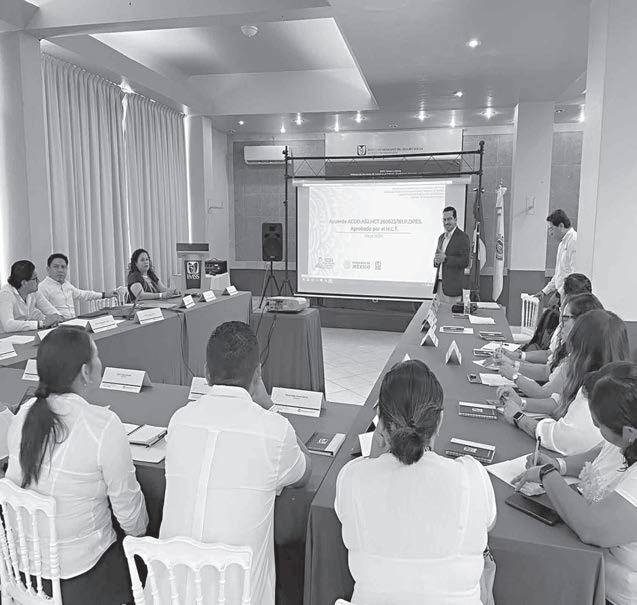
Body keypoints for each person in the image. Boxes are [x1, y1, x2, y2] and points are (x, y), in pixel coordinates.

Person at [160, 321, 312, 605]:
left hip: (170, 594)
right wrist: (269, 405)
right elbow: (304, 472)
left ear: (206, 372)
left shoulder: (179, 420)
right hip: (238, 596)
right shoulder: (274, 430)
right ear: (258, 374)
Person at [5, 326, 148, 604]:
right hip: (80, 579)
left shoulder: (24, 414)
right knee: (144, 559)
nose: (100, 361)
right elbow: (131, 518)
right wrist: (142, 535)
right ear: (85, 371)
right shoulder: (102, 426)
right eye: (97, 355)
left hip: (23, 574)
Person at [335, 359, 496, 605]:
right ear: (439, 421)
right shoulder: (473, 475)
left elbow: (348, 504)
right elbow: (489, 522)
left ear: (381, 422)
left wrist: (380, 443)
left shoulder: (351, 477)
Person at [513, 362, 637, 605]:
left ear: (629, 433)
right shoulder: (628, 435)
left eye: (599, 425)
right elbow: (602, 456)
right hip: (587, 567)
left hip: (611, 592)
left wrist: (548, 474)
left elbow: (592, 527)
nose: (595, 428)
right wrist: (559, 465)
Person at [500, 309, 630, 455]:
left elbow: (561, 438)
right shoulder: (611, 379)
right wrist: (521, 402)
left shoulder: (596, 391)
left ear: (584, 353)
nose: (570, 356)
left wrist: (519, 417)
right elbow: (559, 400)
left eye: (566, 318)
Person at [496, 293, 603, 398]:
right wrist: (513, 363)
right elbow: (548, 371)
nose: (561, 324)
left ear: (581, 322)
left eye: (565, 319)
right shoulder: (573, 352)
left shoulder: (578, 362)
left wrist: (514, 375)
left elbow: (545, 395)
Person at [506, 272, 592, 364]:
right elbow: (550, 354)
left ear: (567, 297)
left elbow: (549, 369)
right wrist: (519, 356)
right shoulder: (568, 321)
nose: (559, 302)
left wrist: (515, 365)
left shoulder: (579, 331)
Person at [38, 253, 118, 320]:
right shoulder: (42, 287)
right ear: (48, 269)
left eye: (63, 267)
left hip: (73, 322)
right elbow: (40, 312)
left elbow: (83, 294)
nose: (60, 270)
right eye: (56, 267)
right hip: (57, 327)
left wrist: (104, 295)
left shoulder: (66, 285)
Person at [0, 260, 62, 333]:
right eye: (35, 278)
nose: (38, 281)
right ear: (24, 283)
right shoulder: (6, 294)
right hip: (6, 337)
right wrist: (41, 324)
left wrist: (57, 318)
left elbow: (50, 310)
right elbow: (8, 325)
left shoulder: (34, 292)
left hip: (24, 334)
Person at [535, 209, 577, 303]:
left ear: (561, 226)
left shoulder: (574, 240)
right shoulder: (562, 243)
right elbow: (559, 274)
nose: (550, 233)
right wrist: (544, 292)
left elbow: (574, 275)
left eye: (551, 228)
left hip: (570, 295)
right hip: (562, 294)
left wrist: (558, 294)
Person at [432, 206, 470, 304]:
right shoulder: (441, 237)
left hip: (453, 288)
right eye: (444, 220)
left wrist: (445, 259)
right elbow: (438, 259)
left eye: (449, 219)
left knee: (450, 314)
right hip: (439, 286)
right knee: (439, 313)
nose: (446, 222)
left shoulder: (463, 237)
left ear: (455, 220)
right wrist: (436, 261)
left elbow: (465, 262)